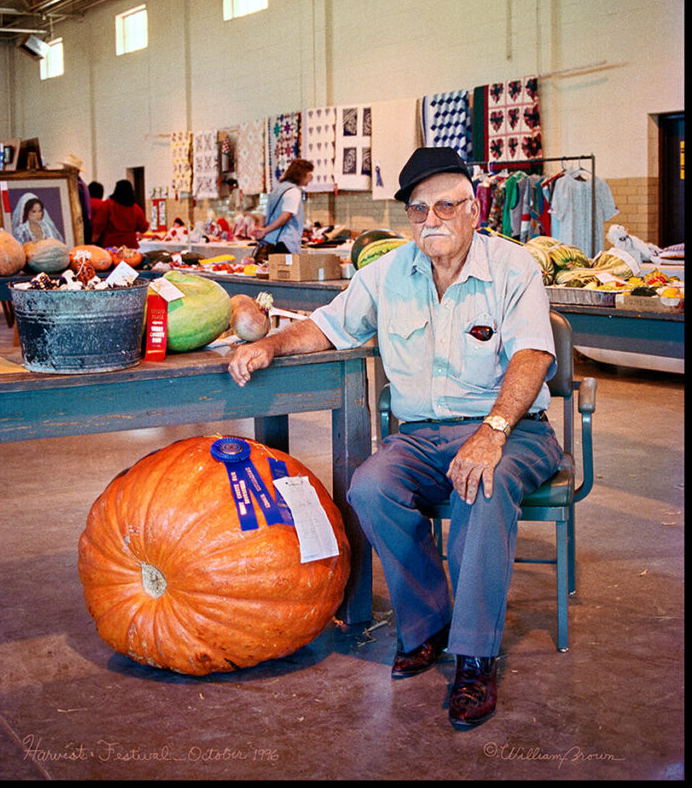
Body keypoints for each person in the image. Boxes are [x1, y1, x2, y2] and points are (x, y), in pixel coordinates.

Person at [228, 146, 563, 732]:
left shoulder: (515, 269)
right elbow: (329, 325)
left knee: (481, 487)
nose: (430, 220)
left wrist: (493, 432)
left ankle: (475, 655)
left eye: (444, 206)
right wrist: (270, 346)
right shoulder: (385, 274)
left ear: (474, 208)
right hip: (422, 435)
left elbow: (534, 354)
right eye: (417, 210)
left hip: (511, 430)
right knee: (370, 487)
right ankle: (428, 620)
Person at [253, 158, 314, 262]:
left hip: (270, 241)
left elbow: (263, 214)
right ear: (301, 174)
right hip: (284, 242)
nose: (311, 179)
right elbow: (286, 216)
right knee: (284, 274)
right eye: (309, 175)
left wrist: (263, 230)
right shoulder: (293, 191)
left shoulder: (277, 189)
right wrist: (264, 231)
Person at [92, 179, 149, 249]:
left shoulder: (108, 205)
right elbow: (143, 227)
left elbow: (99, 224)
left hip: (111, 244)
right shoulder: (135, 208)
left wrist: (94, 241)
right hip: (130, 245)